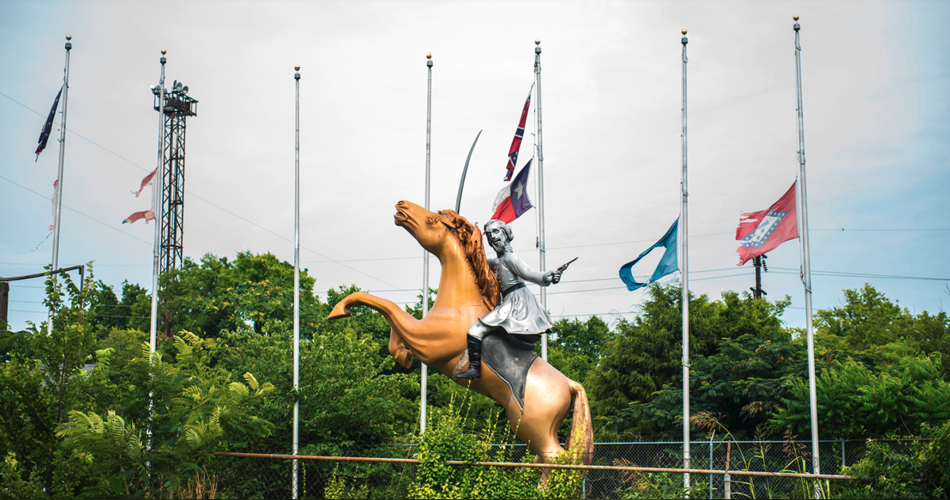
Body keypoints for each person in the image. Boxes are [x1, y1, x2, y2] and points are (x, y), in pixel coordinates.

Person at [456, 219, 561, 380]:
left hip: (516, 304)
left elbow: (528, 273)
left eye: (496, 232)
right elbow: (479, 261)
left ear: (506, 233)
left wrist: (546, 276)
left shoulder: (510, 258)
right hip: (509, 302)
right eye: (489, 235)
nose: (492, 237)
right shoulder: (498, 261)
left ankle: (474, 368)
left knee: (475, 330)